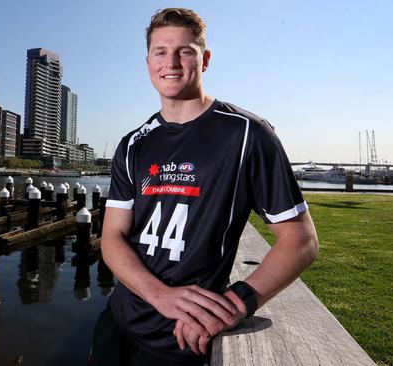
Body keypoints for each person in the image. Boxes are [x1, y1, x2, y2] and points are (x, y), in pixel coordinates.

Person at [91, 7, 319, 366]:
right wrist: (160, 295)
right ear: (148, 61)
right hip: (118, 321)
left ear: (205, 59)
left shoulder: (247, 134)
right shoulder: (133, 144)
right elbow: (112, 238)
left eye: (185, 51)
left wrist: (237, 302)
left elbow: (301, 241)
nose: (172, 62)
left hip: (182, 340)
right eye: (160, 52)